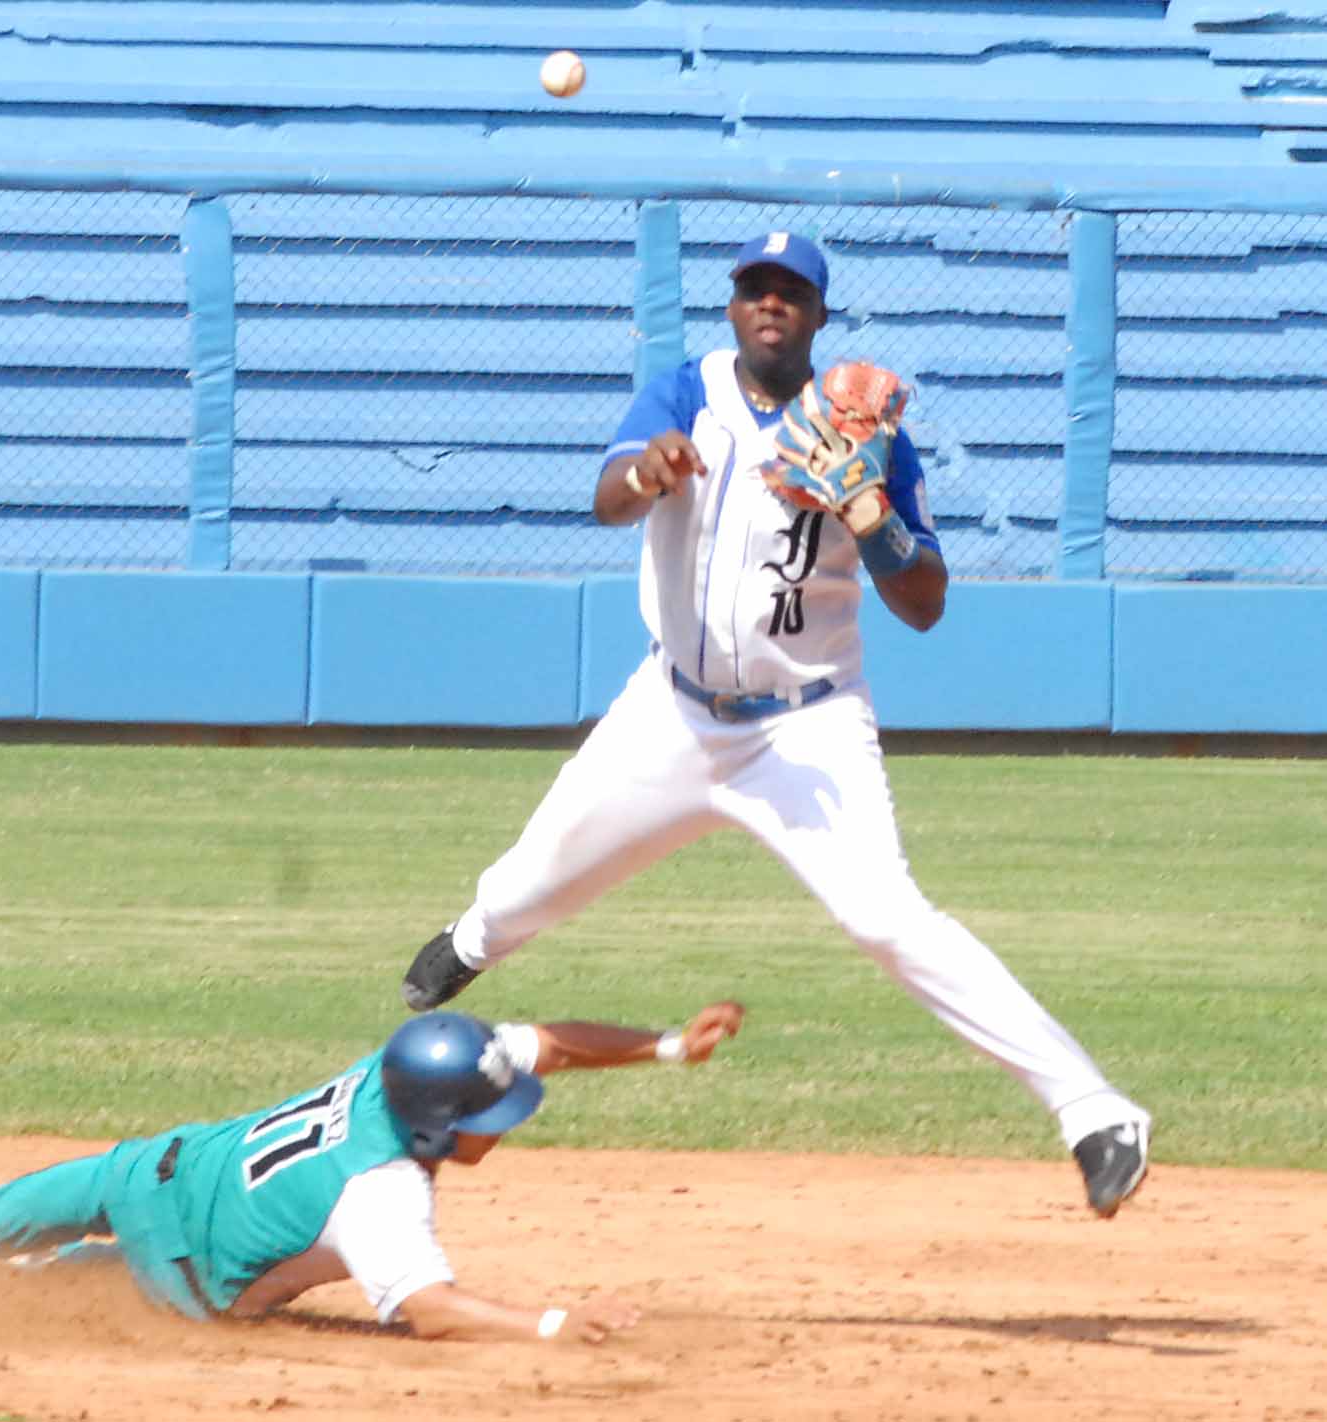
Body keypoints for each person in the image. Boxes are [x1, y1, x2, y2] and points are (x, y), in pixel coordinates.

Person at [401, 231, 1151, 1219]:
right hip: (670, 714)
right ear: (731, 307)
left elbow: (923, 602)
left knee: (889, 921)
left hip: (806, 732)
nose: (768, 303)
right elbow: (604, 499)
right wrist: (647, 473)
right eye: (754, 288)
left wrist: (868, 511)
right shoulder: (687, 393)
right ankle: (471, 937)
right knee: (527, 886)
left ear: (814, 314)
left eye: (788, 292)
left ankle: (1094, 1113)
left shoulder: (862, 429)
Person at [0, 1000, 745, 1343]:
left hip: (161, 1170)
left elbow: (546, 1043)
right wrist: (555, 1324)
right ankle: (13, 1280)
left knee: (85, 1191)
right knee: (96, 1285)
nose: (502, 1126)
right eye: (486, 1120)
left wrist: (669, 1046)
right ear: (438, 1128)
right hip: (191, 1282)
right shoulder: (382, 1195)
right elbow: (430, 1312)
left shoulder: (399, 1065)